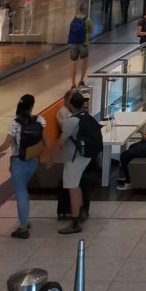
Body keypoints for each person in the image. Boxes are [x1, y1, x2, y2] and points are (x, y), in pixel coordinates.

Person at [0, 93, 46, 238]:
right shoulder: (40, 120)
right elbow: (44, 140)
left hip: (19, 163)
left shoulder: (15, 123)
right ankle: (25, 220)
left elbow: (5, 145)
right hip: (34, 161)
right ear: (32, 106)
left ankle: (23, 228)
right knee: (24, 189)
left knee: (21, 192)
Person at [46, 91, 92, 234]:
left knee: (72, 188)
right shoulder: (86, 116)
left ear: (70, 103)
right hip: (85, 154)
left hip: (74, 157)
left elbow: (61, 142)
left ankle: (75, 222)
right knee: (76, 185)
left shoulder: (72, 120)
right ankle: (81, 212)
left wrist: (51, 158)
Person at [56, 89, 90, 221]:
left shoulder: (77, 114)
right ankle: (77, 216)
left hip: (77, 152)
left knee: (74, 184)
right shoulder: (64, 113)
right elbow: (67, 133)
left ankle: (78, 214)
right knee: (73, 185)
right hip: (72, 152)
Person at [67, 3, 92, 88]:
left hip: (73, 43)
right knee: (85, 61)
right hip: (83, 43)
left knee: (73, 62)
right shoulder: (87, 19)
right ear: (85, 10)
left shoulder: (74, 19)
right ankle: (81, 80)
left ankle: (73, 83)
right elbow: (90, 30)